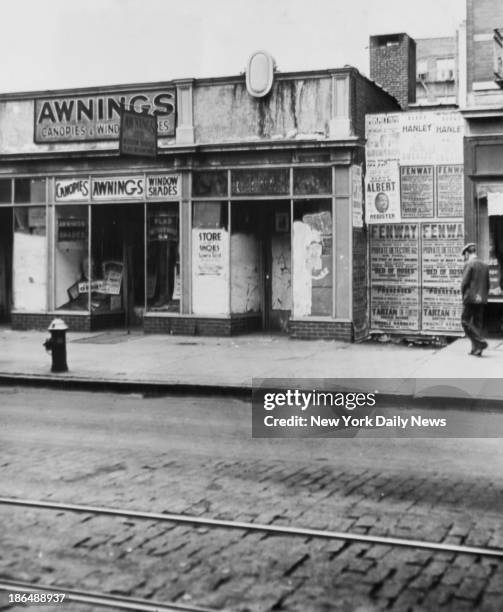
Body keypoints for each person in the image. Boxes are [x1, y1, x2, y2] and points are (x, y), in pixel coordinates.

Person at [461, 243, 490, 356]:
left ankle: (480, 342)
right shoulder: (484, 265)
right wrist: (483, 296)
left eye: (465, 255)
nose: (465, 257)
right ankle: (477, 349)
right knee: (477, 324)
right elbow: (488, 285)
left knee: (465, 321)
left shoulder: (469, 264)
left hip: (470, 298)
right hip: (481, 299)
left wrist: (463, 296)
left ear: (467, 253)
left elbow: (464, 283)